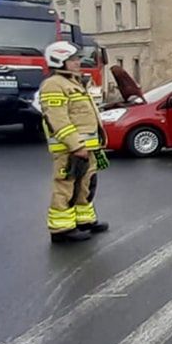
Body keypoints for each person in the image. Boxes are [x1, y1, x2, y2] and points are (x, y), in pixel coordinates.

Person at [39, 41, 110, 243]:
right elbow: (57, 118)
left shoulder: (73, 82)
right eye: (73, 59)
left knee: (85, 184)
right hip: (70, 148)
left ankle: (83, 220)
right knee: (66, 186)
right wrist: (76, 145)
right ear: (59, 60)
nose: (78, 62)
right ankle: (61, 229)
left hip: (86, 147)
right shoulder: (54, 84)